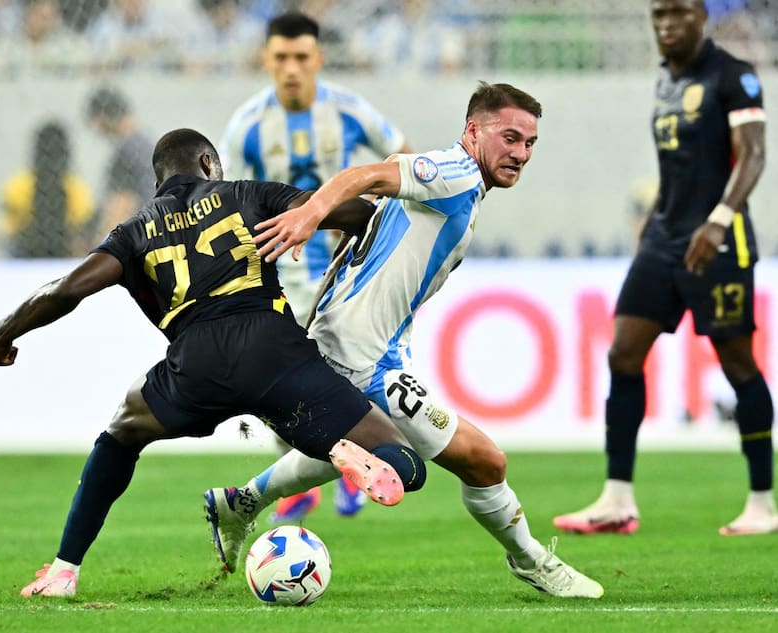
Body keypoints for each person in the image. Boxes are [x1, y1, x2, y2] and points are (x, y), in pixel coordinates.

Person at [204, 82, 605, 599]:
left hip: (369, 346)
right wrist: (309, 216)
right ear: (473, 130)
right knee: (485, 462)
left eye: (530, 144)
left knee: (359, 443)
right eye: (510, 138)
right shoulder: (453, 173)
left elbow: (375, 212)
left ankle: (240, 502)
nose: (520, 153)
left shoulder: (460, 184)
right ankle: (532, 561)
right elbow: (364, 174)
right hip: (364, 358)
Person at [0, 127, 427, 598]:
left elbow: (68, 289)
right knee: (403, 461)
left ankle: (63, 572)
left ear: (159, 182)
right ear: (209, 165)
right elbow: (356, 214)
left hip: (195, 366)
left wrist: (6, 331)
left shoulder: (134, 230)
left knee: (121, 432)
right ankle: (338, 448)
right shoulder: (249, 194)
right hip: (275, 352)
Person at [553, 0, 775, 537]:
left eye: (678, 13)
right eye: (658, 15)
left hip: (718, 240)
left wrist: (720, 219)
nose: (666, 24)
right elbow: (673, 171)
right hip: (663, 239)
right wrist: (650, 232)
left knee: (738, 363)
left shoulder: (733, 76)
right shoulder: (666, 83)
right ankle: (616, 500)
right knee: (623, 353)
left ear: (703, 17)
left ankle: (761, 503)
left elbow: (753, 154)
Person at [218, 10, 411, 522]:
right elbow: (229, 204)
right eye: (281, 58)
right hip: (284, 277)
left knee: (349, 374)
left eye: (301, 57)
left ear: (318, 59)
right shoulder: (247, 127)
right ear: (266, 60)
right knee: (277, 383)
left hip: (351, 273)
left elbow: (405, 163)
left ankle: (350, 465)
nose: (291, 68)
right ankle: (310, 476)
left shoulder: (350, 112)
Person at [0, 120, 95, 258]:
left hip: (52, 248)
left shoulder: (19, 184)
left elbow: (10, 227)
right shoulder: (75, 186)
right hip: (30, 248)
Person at [85, 85, 158, 244]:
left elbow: (121, 204)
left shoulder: (125, 151)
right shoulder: (149, 142)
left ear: (101, 117)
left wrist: (99, 251)